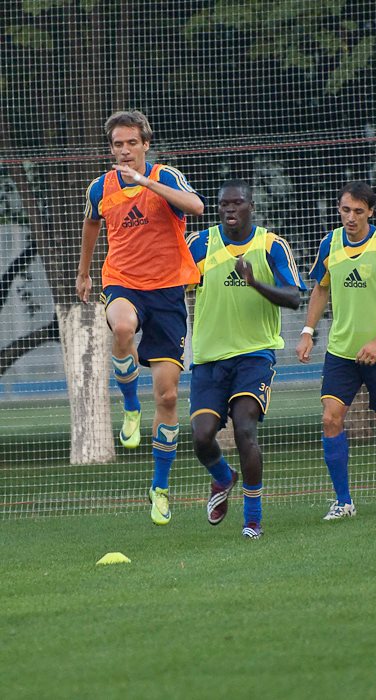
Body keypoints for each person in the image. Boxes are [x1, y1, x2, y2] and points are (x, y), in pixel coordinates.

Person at [75, 109, 205, 526]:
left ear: (146, 144)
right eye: (118, 144)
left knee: (167, 398)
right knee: (122, 326)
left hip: (167, 293)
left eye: (132, 143)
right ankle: (130, 408)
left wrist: (147, 183)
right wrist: (84, 272)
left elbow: (197, 206)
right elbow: (91, 223)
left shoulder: (165, 177)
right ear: (111, 149)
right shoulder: (101, 187)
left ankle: (160, 487)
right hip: (123, 282)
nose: (125, 151)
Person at [296, 181, 376, 519]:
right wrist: (308, 332)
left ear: (370, 211)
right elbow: (321, 288)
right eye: (345, 210)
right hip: (341, 352)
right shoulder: (330, 243)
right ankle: (343, 502)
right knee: (330, 418)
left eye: (358, 211)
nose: (350, 217)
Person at [187, 179, 306, 538]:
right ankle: (224, 477)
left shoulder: (271, 245)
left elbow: (294, 297)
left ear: (251, 206)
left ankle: (252, 519)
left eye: (237, 203)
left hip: (254, 355)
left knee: (244, 428)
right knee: (201, 437)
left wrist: (254, 282)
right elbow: (173, 284)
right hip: (209, 357)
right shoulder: (200, 243)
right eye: (224, 204)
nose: (230, 209)